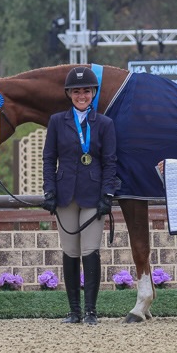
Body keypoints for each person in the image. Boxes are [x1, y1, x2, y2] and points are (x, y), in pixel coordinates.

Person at [41, 66, 117, 325]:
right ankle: (73, 310)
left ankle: (91, 311)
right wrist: (49, 189)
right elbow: (49, 159)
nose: (82, 95)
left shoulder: (104, 124)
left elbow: (110, 161)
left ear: (93, 93)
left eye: (86, 91)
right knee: (70, 251)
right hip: (65, 194)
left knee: (90, 250)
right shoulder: (56, 122)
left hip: (93, 195)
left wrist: (107, 193)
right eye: (77, 91)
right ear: (69, 94)